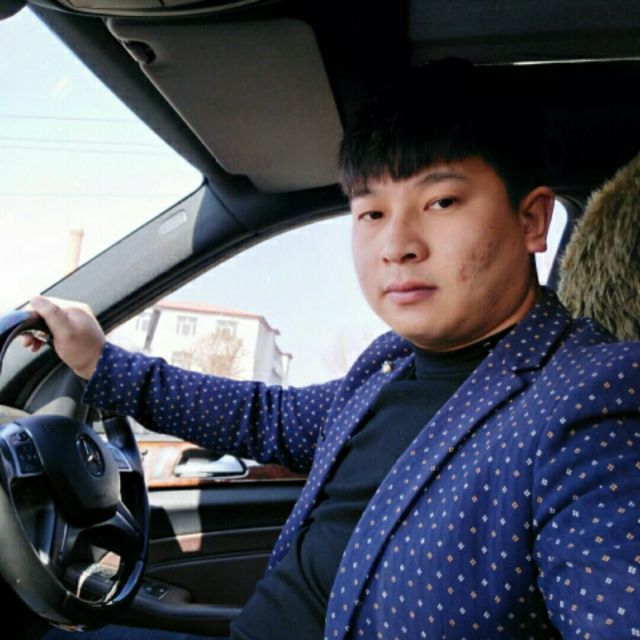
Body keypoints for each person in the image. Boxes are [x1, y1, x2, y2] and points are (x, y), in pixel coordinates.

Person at [29, 61, 640, 639]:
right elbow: (265, 417)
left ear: (531, 221)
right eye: (371, 212)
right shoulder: (388, 363)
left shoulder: (590, 404)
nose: (396, 245)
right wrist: (100, 362)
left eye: (441, 202)